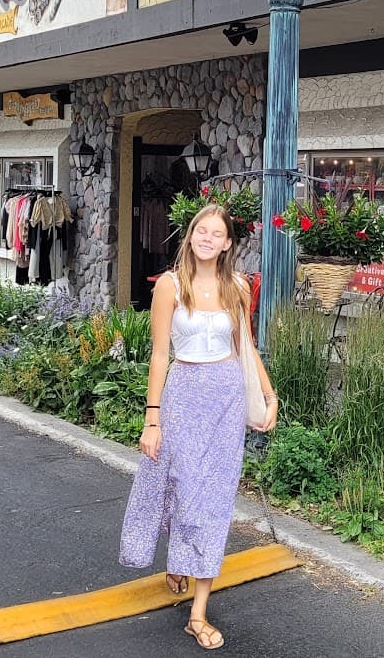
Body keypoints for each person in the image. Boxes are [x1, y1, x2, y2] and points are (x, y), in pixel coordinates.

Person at [119, 204, 276, 651]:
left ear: (228, 243)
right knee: (184, 485)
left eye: (216, 233)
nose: (207, 238)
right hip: (184, 396)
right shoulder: (170, 286)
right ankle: (179, 556)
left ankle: (198, 613)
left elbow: (245, 346)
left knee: (214, 499)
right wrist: (152, 418)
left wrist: (269, 395)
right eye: (200, 231)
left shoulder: (238, 287)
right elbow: (158, 355)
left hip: (226, 398)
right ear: (190, 237)